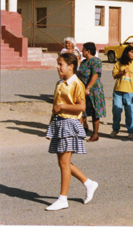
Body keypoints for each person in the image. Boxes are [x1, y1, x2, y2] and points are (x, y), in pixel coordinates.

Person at [45, 53, 98, 211]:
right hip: (59, 124)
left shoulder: (77, 83)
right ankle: (89, 183)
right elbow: (55, 106)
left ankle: (63, 199)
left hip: (70, 124)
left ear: (71, 66)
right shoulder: (60, 83)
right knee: (63, 162)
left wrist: (61, 107)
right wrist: (51, 126)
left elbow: (81, 107)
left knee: (64, 163)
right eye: (58, 64)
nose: (58, 67)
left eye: (60, 64)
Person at [110, 46, 133, 138]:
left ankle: (130, 131)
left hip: (130, 91)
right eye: (131, 52)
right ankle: (115, 129)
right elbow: (114, 75)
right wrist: (122, 72)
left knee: (129, 111)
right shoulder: (119, 63)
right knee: (116, 110)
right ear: (126, 53)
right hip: (118, 91)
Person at [77, 42, 106, 142]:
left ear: (88, 51)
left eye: (83, 50)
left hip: (94, 90)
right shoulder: (84, 62)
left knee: (95, 112)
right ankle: (78, 132)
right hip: (83, 90)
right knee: (82, 111)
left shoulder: (95, 61)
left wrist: (88, 87)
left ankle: (95, 134)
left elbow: (95, 75)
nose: (81, 51)